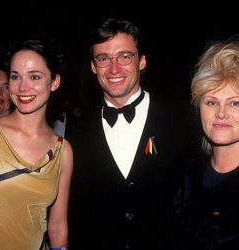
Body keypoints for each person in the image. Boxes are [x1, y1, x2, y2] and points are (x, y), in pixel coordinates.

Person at [67, 18, 199, 250]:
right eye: (103, 58)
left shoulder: (183, 117)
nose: (114, 68)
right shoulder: (77, 130)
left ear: (142, 61)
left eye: (125, 56)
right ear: (93, 66)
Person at [0, 33, 73, 250]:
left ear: (54, 82)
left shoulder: (62, 150)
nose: (22, 87)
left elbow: (57, 225)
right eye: (16, 77)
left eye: (34, 77)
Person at [171, 39, 239, 249]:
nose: (221, 113)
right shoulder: (187, 175)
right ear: (199, 107)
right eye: (211, 102)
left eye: (235, 103)